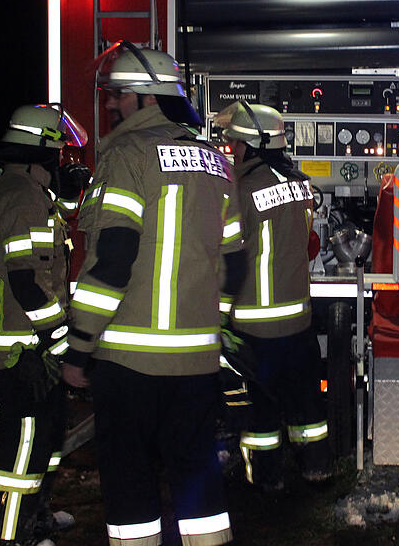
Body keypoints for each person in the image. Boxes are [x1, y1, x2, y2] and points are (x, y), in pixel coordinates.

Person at [61, 43, 246, 546]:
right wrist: (213, 330)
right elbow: (235, 262)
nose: (110, 106)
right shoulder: (215, 162)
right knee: (200, 491)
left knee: (131, 493)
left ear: (146, 99)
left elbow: (113, 261)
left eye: (118, 96)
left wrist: (79, 348)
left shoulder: (126, 157)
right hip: (197, 367)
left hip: (129, 365)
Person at [0, 103, 89, 546]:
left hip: (31, 347)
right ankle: (7, 536)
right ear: (40, 152)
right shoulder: (22, 200)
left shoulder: (12, 189)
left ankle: (35, 516)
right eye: (59, 154)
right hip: (27, 351)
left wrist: (68, 196)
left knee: (46, 440)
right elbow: (25, 281)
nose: (63, 160)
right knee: (20, 452)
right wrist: (61, 341)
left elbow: (41, 223)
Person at [213, 101, 330, 491]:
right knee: (306, 405)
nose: (233, 151)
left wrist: (218, 315)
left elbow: (229, 255)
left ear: (252, 145)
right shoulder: (300, 185)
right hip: (298, 321)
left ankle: (266, 479)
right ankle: (317, 467)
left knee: (261, 413)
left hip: (255, 325)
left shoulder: (242, 189)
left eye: (236, 146)